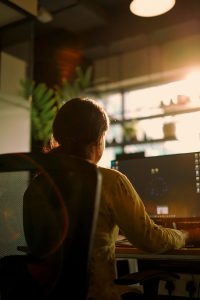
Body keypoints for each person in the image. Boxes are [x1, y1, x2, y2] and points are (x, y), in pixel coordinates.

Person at [23, 97, 199, 300]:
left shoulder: (38, 185)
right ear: (98, 138)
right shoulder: (108, 180)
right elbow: (150, 239)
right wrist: (188, 235)